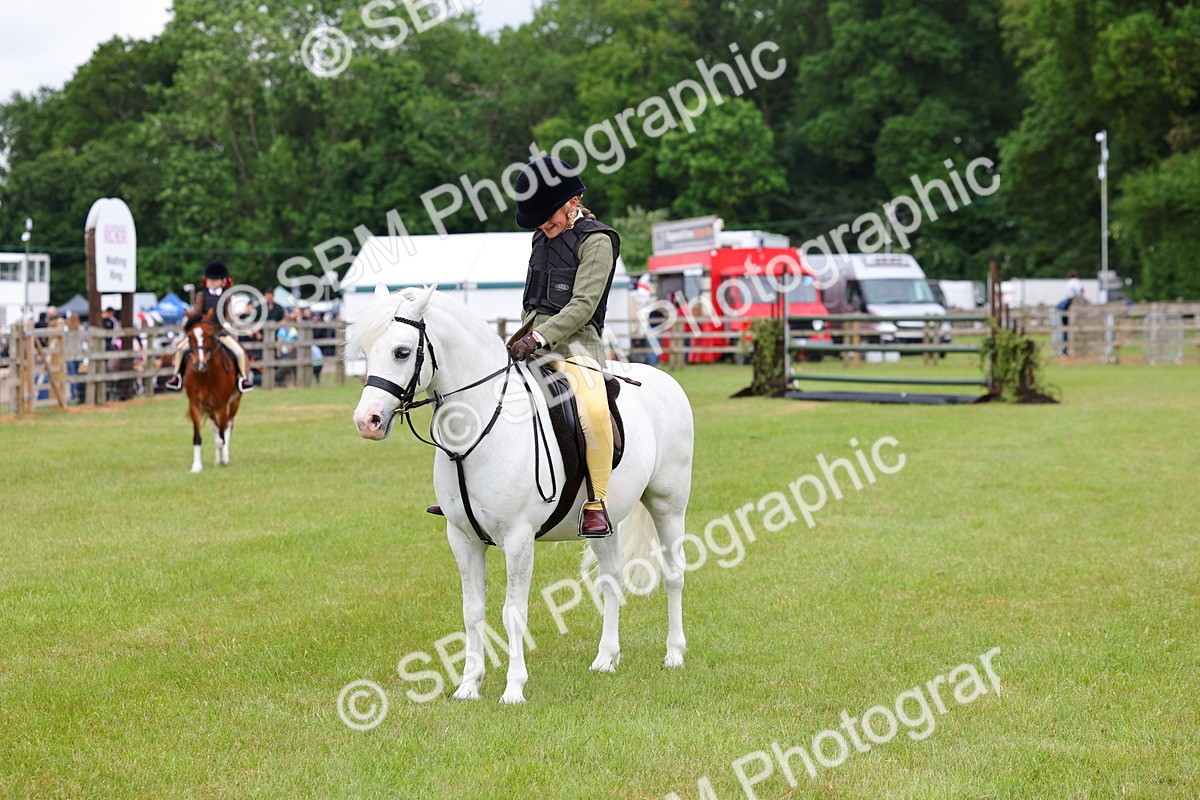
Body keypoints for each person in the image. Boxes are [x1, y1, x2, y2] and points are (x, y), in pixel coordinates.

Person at [505, 157, 621, 536]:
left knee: (592, 410)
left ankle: (597, 502)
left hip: (577, 349)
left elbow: (583, 305)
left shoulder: (597, 241)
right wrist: (522, 338)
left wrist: (539, 337)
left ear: (574, 200)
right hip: (531, 345)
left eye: (548, 216)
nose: (543, 225)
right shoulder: (540, 237)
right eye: (538, 220)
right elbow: (531, 299)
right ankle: (475, 492)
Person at [164, 259, 254, 392]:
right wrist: (192, 318)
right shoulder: (202, 295)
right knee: (180, 348)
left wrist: (226, 324)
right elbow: (198, 312)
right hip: (203, 333)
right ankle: (177, 376)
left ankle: (242, 378)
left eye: (214, 280)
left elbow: (228, 313)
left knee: (239, 352)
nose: (211, 282)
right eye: (209, 279)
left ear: (223, 281)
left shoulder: (227, 295)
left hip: (220, 333)